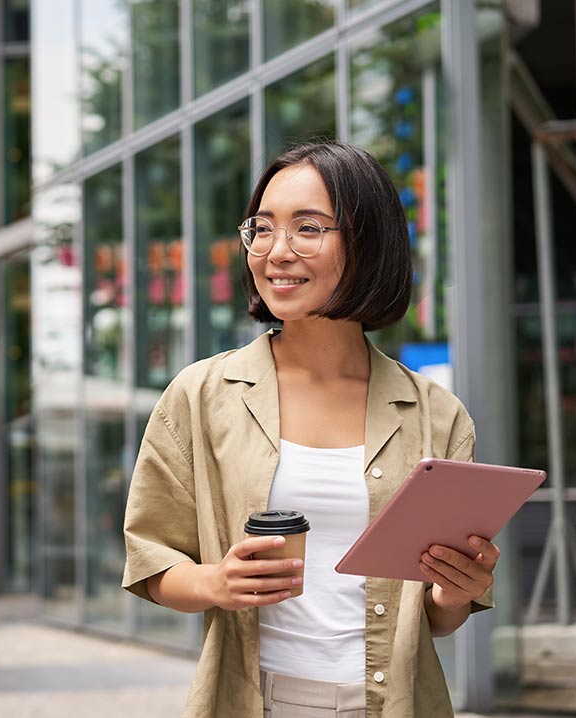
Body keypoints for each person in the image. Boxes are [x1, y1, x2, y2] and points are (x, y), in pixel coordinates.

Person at [121, 141, 498, 718]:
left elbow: (440, 620)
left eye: (308, 228)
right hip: (260, 701)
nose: (277, 251)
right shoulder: (201, 395)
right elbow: (152, 558)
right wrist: (217, 584)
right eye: (263, 229)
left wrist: (455, 587)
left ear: (367, 242)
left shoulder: (435, 414)